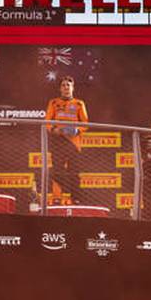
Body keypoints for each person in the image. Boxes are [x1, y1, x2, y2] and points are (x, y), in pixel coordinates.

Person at [44, 76, 88, 206]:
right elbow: (47, 121)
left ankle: (76, 199)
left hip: (74, 143)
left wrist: (77, 130)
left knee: (74, 171)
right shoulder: (53, 102)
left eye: (68, 85)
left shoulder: (79, 103)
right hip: (58, 140)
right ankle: (57, 198)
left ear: (73, 88)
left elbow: (85, 123)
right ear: (60, 88)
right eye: (63, 85)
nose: (65, 87)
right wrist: (53, 130)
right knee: (57, 170)